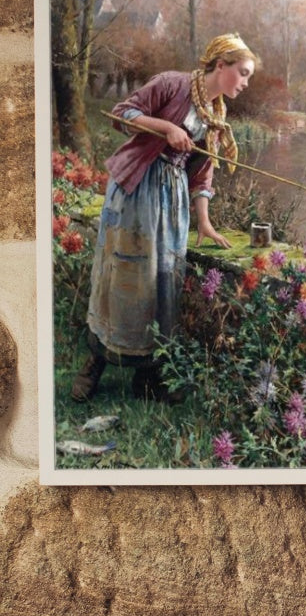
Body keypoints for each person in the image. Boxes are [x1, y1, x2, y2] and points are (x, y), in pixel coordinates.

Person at [71, 33, 257, 402]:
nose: (246, 82)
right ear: (221, 65)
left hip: (171, 203)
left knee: (161, 286)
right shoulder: (171, 84)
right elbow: (122, 113)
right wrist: (167, 128)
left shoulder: (216, 115)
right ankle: (95, 364)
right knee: (122, 275)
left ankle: (148, 375)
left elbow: (202, 174)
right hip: (136, 189)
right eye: (243, 73)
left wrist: (203, 222)